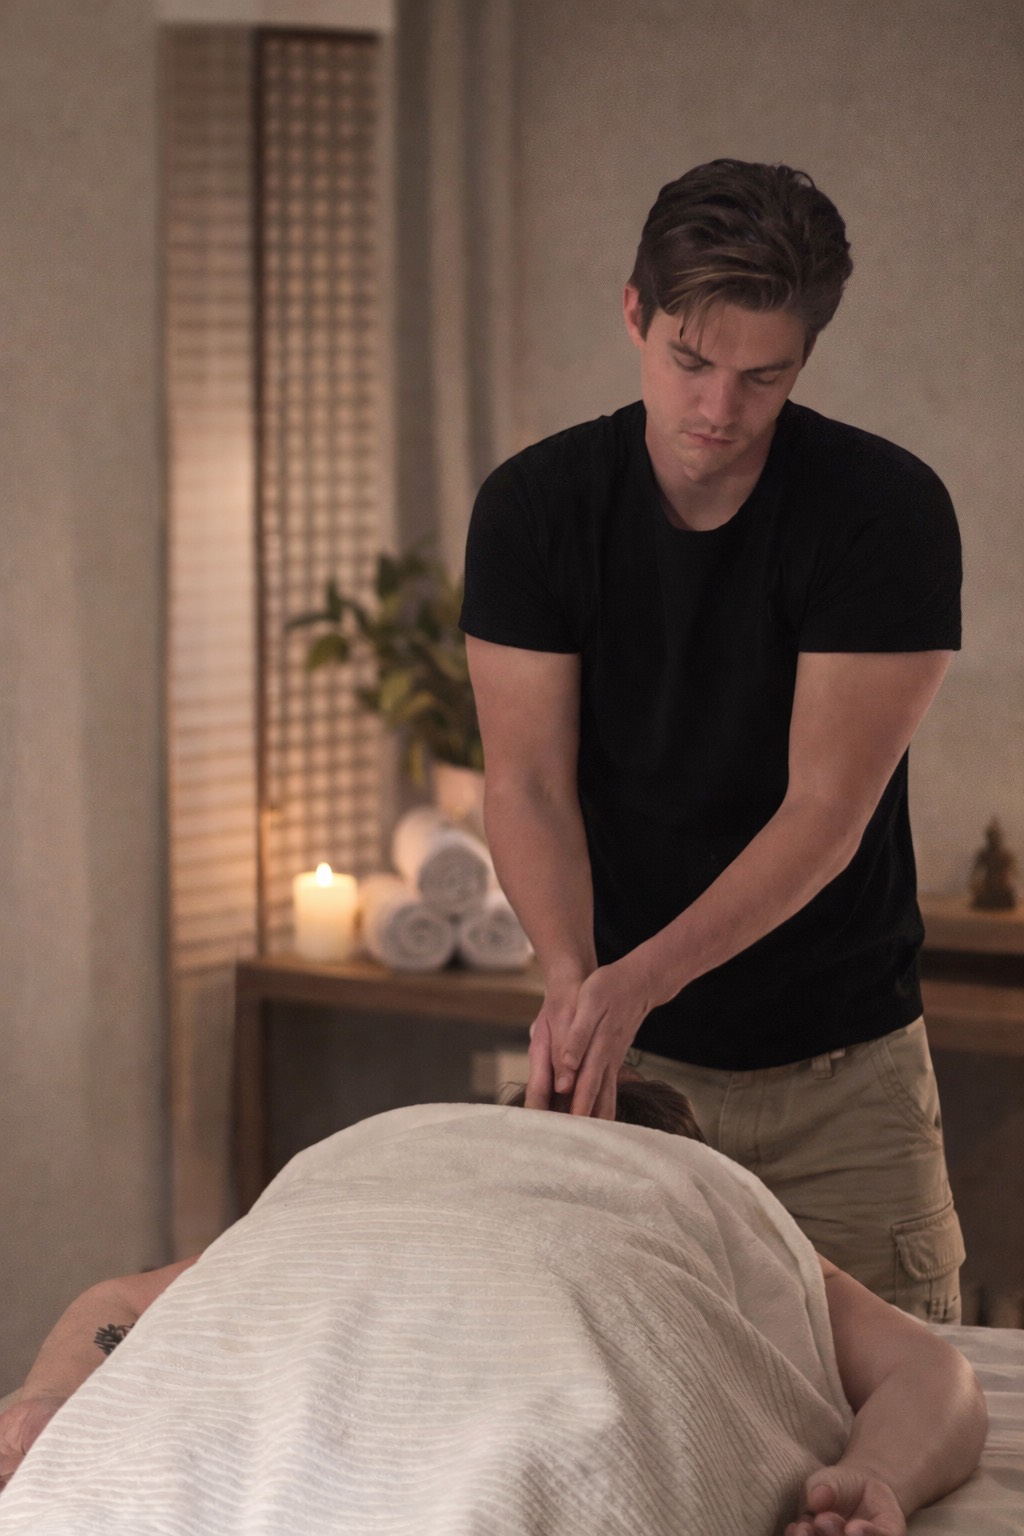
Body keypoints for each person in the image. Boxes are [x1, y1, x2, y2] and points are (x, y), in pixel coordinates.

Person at [459, 157, 965, 1319]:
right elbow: (526, 785)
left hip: (844, 1078)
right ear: (635, 313)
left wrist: (638, 980)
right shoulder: (535, 510)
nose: (718, 411)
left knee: (904, 1394)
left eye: (761, 377)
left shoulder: (882, 514)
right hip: (630, 1078)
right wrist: (573, 983)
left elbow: (823, 816)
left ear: (805, 358)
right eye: (690, 362)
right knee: (615, 1382)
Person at [0, 1084, 986, 1536]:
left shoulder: (394, 1140)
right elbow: (930, 1369)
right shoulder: (703, 1187)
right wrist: (875, 1480)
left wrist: (49, 1396)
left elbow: (120, 1299)